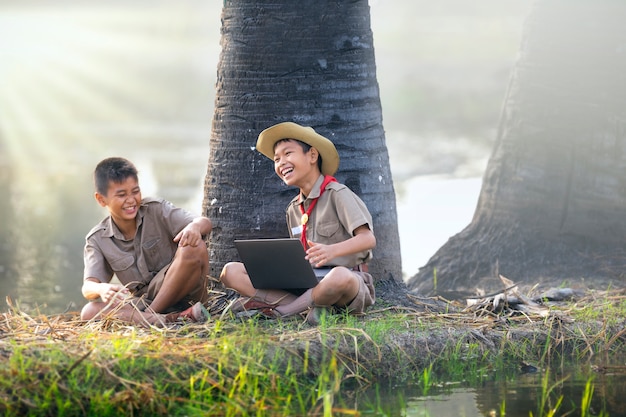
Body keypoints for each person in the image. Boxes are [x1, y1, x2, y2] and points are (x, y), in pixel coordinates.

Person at [220, 122, 376, 324]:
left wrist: (332, 251)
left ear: (312, 155)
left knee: (339, 276)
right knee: (231, 271)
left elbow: (367, 239)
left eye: (288, 154)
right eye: (276, 159)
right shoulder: (293, 208)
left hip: (345, 282)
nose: (281, 162)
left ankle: (283, 311)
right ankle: (309, 308)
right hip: (309, 282)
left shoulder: (338, 194)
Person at [80, 157, 212, 327]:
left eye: (135, 191)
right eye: (121, 195)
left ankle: (150, 318)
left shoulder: (157, 209)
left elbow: (205, 223)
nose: (131, 200)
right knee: (89, 311)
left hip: (186, 294)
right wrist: (101, 289)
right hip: (144, 300)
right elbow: (88, 286)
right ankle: (169, 319)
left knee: (193, 247)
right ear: (101, 199)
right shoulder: (97, 239)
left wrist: (194, 227)